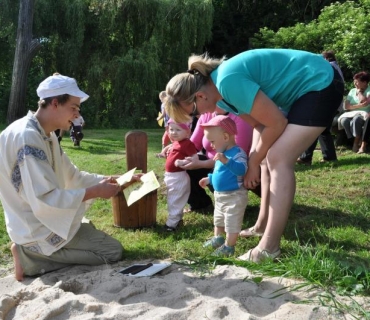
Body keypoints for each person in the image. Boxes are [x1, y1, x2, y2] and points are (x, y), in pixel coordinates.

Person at [164, 48, 344, 262]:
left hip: (320, 82)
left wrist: (253, 162)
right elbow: (259, 125)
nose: (199, 116)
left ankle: (269, 248)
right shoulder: (221, 98)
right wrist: (255, 160)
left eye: (193, 112)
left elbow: (277, 123)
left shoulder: (227, 82)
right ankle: (261, 226)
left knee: (278, 158)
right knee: (269, 159)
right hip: (305, 91)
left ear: (200, 96)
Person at [0, 73, 141, 281]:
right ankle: (28, 255)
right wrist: (96, 192)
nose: (76, 116)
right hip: (35, 226)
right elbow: (44, 198)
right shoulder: (27, 137)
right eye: (74, 108)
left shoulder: (44, 134)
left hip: (34, 220)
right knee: (111, 251)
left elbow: (73, 176)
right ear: (55, 103)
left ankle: (34, 252)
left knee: (89, 231)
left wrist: (118, 179)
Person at [180, 108, 253, 213]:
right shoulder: (206, 115)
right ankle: (200, 204)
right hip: (214, 163)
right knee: (184, 160)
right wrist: (177, 148)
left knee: (223, 172)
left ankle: (232, 204)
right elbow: (192, 145)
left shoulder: (240, 118)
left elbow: (235, 157)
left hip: (231, 166)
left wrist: (200, 164)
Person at [199, 115, 248, 257]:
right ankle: (218, 238)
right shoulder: (222, 154)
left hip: (235, 196)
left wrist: (226, 160)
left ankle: (229, 246)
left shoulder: (237, 153)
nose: (211, 145)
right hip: (220, 196)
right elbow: (220, 173)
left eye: (212, 141)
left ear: (226, 137)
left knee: (232, 222)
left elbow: (241, 170)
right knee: (219, 218)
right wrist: (210, 179)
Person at [297, 50, 344, 165]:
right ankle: (329, 157)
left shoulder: (329, 66)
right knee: (323, 130)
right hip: (334, 103)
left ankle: (306, 157)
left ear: (326, 58)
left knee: (314, 128)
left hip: (326, 102)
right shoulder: (335, 67)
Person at [163, 120, 198, 231]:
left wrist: (182, 163)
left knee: (175, 200)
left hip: (178, 177)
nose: (174, 132)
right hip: (171, 176)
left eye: (178, 129)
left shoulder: (187, 143)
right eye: (171, 129)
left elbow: (194, 159)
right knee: (172, 199)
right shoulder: (176, 142)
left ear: (187, 132)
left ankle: (171, 225)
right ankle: (177, 221)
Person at [338, 71, 370, 153]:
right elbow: (346, 106)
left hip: (363, 113)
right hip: (350, 113)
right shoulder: (352, 91)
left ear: (364, 82)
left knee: (356, 119)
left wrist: (359, 92)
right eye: (354, 81)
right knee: (344, 120)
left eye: (357, 82)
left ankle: (356, 143)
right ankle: (353, 140)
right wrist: (360, 105)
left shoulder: (368, 90)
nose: (354, 84)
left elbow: (365, 101)